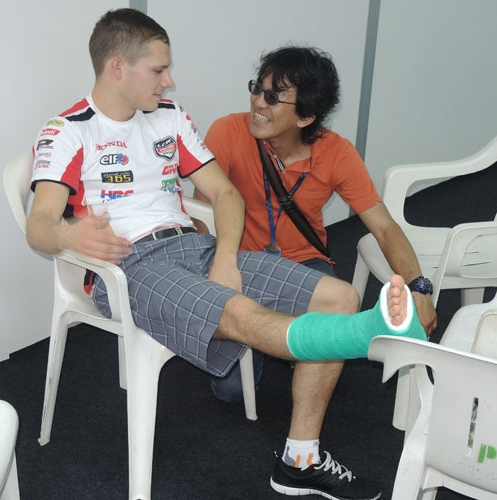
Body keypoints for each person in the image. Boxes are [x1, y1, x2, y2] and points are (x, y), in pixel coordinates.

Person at [25, 9, 426, 500]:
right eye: (159, 70)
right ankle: (371, 333)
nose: (170, 81)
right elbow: (38, 225)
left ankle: (299, 460)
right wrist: (70, 238)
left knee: (340, 297)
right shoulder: (68, 130)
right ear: (117, 67)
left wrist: (225, 259)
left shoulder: (169, 117)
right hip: (129, 268)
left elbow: (225, 194)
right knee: (240, 312)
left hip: (194, 246)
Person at [196, 46, 438, 403]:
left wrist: (420, 287)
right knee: (231, 391)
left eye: (273, 97)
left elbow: (385, 228)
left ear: (306, 117)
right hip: (240, 263)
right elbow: (202, 217)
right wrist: (220, 271)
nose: (258, 103)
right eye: (257, 88)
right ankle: (284, 335)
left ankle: (287, 337)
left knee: (333, 322)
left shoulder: (336, 152)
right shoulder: (227, 131)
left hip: (303, 261)